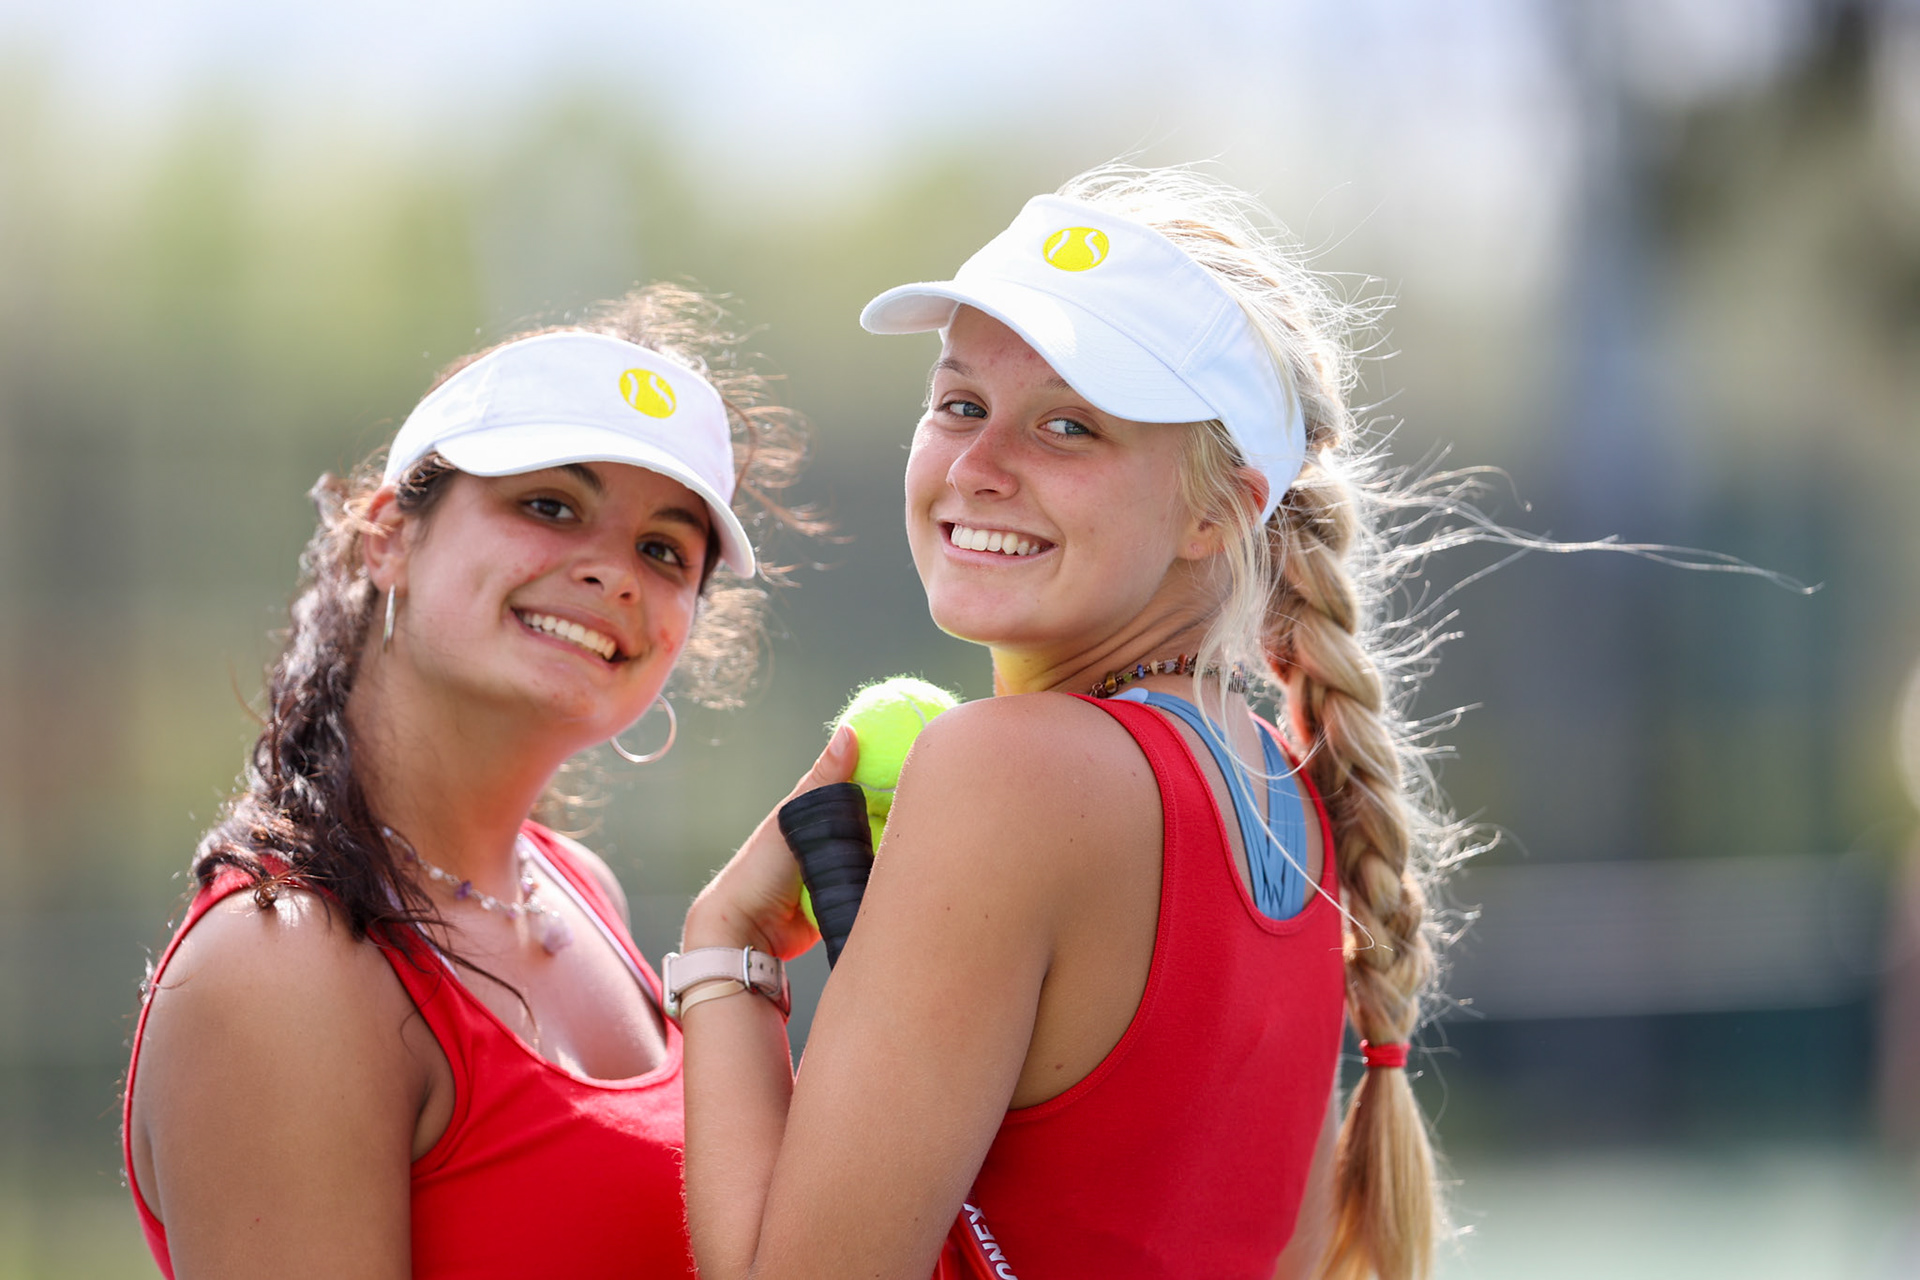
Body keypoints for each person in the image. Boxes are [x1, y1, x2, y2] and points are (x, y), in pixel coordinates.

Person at [673, 166, 1452, 1280]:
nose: (980, 466)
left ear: (1219, 507)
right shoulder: (1286, 784)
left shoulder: (1010, 771)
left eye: (1069, 427)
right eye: (959, 405)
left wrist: (726, 946)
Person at [121, 286, 812, 1278]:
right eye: (549, 504)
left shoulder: (582, 890)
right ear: (389, 535)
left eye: (663, 549)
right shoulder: (283, 964)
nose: (616, 572)